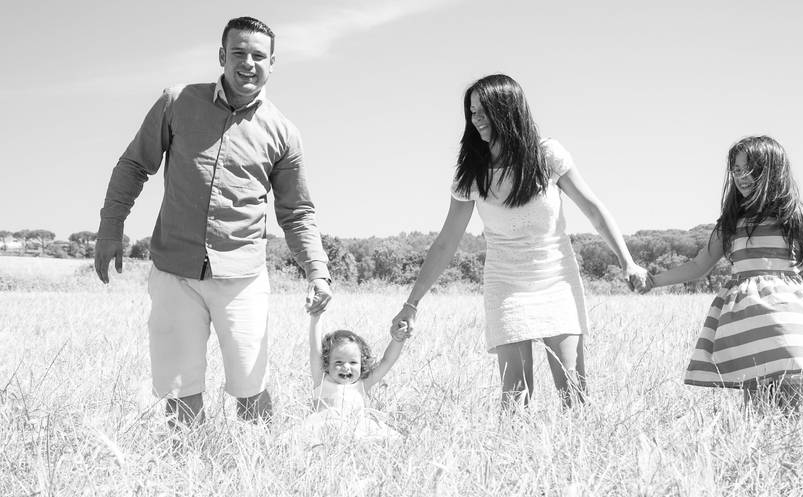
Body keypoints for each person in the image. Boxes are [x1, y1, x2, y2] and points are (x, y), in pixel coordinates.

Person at [94, 16, 332, 427]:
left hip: (242, 278)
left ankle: (257, 478)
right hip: (175, 274)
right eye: (238, 53)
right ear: (222, 56)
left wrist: (318, 270)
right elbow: (134, 165)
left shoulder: (283, 132)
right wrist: (110, 228)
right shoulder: (177, 102)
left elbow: (297, 212)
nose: (248, 63)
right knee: (181, 393)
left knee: (251, 390)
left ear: (272, 63)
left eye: (259, 56)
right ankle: (190, 477)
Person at [390, 74, 647, 409]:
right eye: (471, 112)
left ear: (506, 111)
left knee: (573, 391)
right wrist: (412, 304)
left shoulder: (548, 156)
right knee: (515, 396)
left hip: (556, 278)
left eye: (483, 111)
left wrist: (627, 261)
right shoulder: (472, 173)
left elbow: (594, 211)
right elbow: (446, 243)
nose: (475, 119)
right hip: (506, 284)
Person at [642, 135, 803, 415]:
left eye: (750, 170)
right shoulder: (731, 223)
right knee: (754, 410)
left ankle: (788, 456)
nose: (742, 177)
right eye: (737, 170)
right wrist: (652, 281)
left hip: (790, 320)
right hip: (747, 326)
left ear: (772, 170)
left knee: (788, 406)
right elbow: (698, 266)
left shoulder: (799, 218)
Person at [306, 316, 405, 439]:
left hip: (355, 433)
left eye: (353, 362)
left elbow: (387, 361)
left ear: (362, 363)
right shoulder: (321, 380)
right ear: (326, 362)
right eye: (338, 362)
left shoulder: (362, 384)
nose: (346, 367)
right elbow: (315, 350)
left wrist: (398, 339)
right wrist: (316, 317)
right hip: (323, 434)